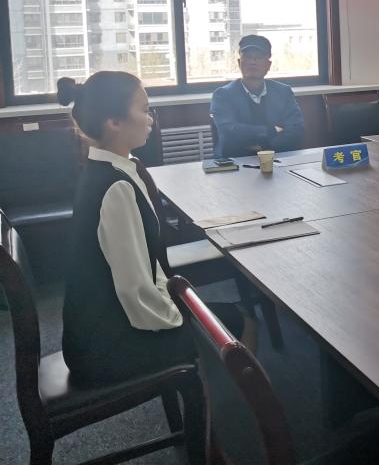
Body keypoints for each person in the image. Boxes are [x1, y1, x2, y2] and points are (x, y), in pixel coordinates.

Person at [58, 72, 244, 385]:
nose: (150, 119)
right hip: (106, 345)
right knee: (236, 323)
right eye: (144, 110)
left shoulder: (109, 169)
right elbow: (135, 289)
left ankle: (217, 398)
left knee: (219, 319)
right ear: (113, 122)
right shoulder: (116, 187)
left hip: (100, 330)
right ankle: (226, 407)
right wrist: (181, 320)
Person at [210, 34, 305, 158]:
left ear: (268, 65)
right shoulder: (223, 95)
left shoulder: (283, 92)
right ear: (239, 63)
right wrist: (271, 130)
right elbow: (230, 133)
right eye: (247, 57)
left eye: (259, 57)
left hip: (277, 159)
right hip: (236, 161)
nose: (252, 62)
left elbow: (296, 130)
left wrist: (265, 149)